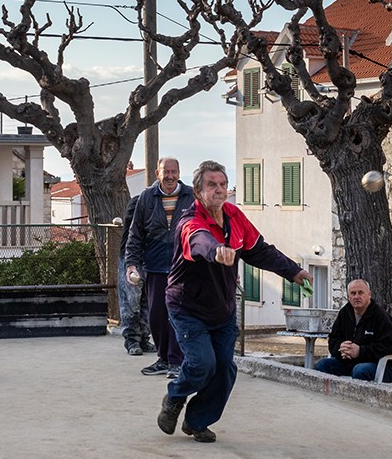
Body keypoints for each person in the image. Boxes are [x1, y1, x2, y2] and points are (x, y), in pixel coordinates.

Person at [157, 160, 310, 443]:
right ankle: (175, 396)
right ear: (198, 191)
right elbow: (198, 241)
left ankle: (196, 421)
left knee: (225, 367)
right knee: (203, 363)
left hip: (223, 310)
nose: (219, 190)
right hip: (187, 308)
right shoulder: (190, 221)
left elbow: (260, 250)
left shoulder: (234, 216)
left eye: (223, 185)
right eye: (212, 185)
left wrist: (293, 271)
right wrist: (216, 250)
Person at [126, 157, 194, 378]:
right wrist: (131, 263)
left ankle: (176, 361)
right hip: (154, 266)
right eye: (166, 172)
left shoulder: (192, 196)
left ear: (179, 172)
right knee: (156, 314)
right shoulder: (146, 197)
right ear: (158, 173)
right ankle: (163, 359)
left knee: (177, 313)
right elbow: (135, 234)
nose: (170, 176)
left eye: (174, 171)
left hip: (183, 266)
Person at [315, 279, 392, 382]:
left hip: (381, 366)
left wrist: (360, 351)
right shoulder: (344, 313)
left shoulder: (381, 316)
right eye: (353, 293)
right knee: (322, 365)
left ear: (369, 294)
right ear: (349, 296)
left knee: (360, 370)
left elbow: (389, 347)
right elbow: (333, 340)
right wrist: (341, 348)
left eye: (361, 293)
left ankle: (358, 398)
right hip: (349, 363)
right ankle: (331, 397)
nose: (357, 297)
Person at [117, 194, 154, 356]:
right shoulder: (137, 203)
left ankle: (144, 338)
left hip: (151, 259)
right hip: (132, 259)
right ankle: (131, 339)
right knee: (131, 301)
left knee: (147, 301)